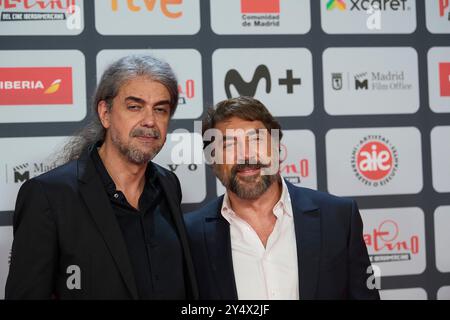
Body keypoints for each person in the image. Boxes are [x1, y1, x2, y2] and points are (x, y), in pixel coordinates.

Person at [5, 55, 198, 300]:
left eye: (160, 109)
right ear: (105, 113)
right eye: (135, 107)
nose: (150, 121)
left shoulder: (168, 184)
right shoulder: (48, 196)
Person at [184, 96, 380, 300]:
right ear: (213, 161)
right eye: (229, 145)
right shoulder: (190, 235)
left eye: (256, 140)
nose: (245, 155)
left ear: (277, 148)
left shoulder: (338, 219)